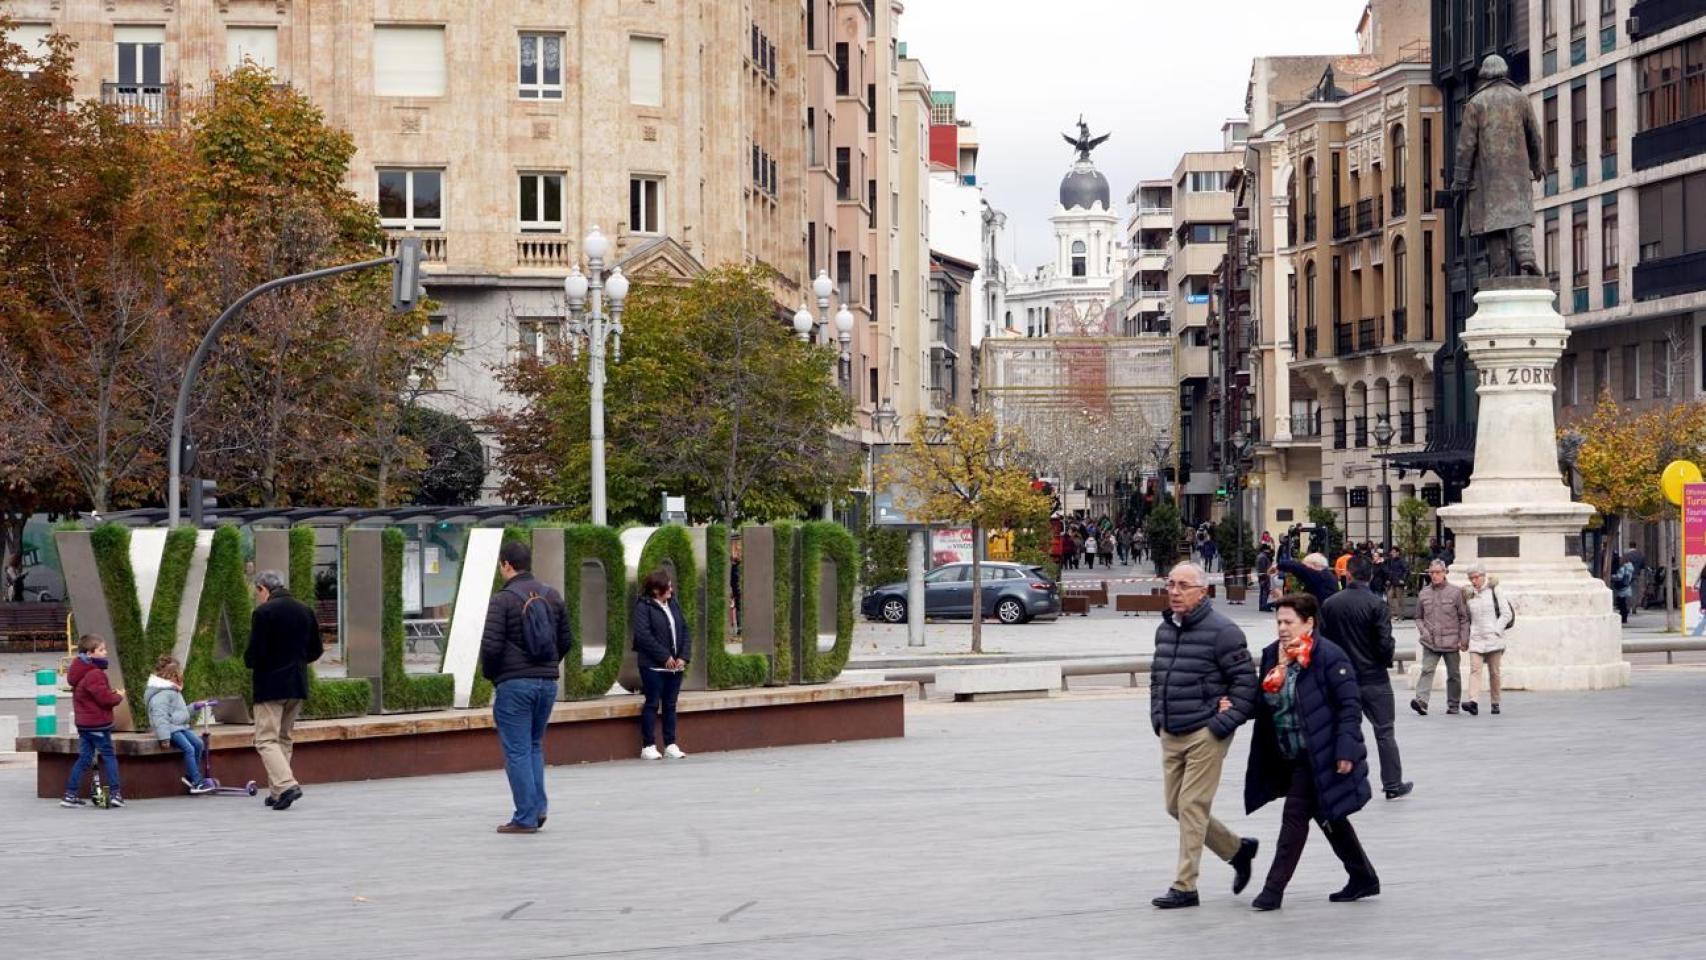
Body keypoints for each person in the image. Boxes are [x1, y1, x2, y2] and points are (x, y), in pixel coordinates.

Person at [1242, 593, 1380, 910]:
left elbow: (1349, 706)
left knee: (1294, 817)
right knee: (1328, 815)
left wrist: (1346, 750)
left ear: (1309, 623)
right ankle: (1363, 877)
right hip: (1286, 754)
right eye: (1278, 621)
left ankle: (1272, 890)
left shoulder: (1329, 657)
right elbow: (1261, 702)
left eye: (1288, 622)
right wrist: (1228, 706)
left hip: (1319, 752)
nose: (1281, 628)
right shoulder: (1272, 656)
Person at [1148, 562, 1260, 910]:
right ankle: (1237, 850)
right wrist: (1157, 717)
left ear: (1203, 591)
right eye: (1171, 584)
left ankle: (1185, 886)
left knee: (1191, 805)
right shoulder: (1165, 629)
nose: (1175, 591)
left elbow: (1246, 688)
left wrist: (1220, 725)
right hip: (1171, 729)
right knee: (1174, 806)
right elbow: (1157, 677)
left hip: (1205, 733)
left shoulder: (1224, 631)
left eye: (1183, 586)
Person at [480, 541, 573, 834]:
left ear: (507, 564)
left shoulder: (503, 600)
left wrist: (497, 675)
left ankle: (525, 816)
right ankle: (538, 807)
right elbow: (566, 640)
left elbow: (491, 647)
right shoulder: (551, 595)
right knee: (533, 746)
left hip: (514, 685)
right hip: (547, 684)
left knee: (518, 750)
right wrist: (546, 666)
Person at [1319, 557, 1411, 800]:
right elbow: (1384, 642)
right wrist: (1384, 659)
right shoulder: (1376, 604)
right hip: (1374, 678)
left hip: (1342, 679)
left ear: (1347, 575)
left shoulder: (1330, 604)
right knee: (1384, 732)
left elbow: (1323, 642)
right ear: (1370, 576)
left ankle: (1341, 781)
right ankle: (1392, 783)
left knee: (1343, 730)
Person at [246, 569, 323, 811]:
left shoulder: (263, 612)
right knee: (284, 738)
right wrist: (296, 662)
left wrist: (253, 661)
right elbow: (316, 649)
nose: (257, 597)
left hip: (270, 685)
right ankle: (278, 792)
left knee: (266, 739)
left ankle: (287, 784)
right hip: (297, 683)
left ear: (262, 588)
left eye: (256, 592)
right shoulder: (304, 610)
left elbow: (254, 653)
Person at [633, 568, 693, 761]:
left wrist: (683, 656)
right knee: (652, 703)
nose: (671, 589)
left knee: (670, 704)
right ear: (656, 590)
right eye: (667, 586)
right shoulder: (643, 606)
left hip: (675, 666)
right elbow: (643, 636)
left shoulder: (673, 603)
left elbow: (684, 629)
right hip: (653, 666)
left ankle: (670, 744)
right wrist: (664, 657)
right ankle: (648, 745)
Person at [61, 635, 125, 808]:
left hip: (84, 724)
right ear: (90, 653)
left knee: (84, 758)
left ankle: (70, 794)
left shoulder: (80, 671)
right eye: (101, 650)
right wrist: (118, 696)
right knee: (109, 757)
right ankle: (115, 794)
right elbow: (105, 699)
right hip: (98, 724)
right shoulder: (94, 674)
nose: (105, 652)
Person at [145, 655, 214, 794]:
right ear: (172, 676)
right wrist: (164, 737)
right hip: (170, 729)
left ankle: (190, 776)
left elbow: (180, 713)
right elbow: (160, 717)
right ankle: (196, 781)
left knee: (199, 744)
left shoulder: (173, 691)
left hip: (179, 726)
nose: (181, 678)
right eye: (179, 675)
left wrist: (194, 706)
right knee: (188, 748)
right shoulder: (162, 694)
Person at [1412, 559, 1470, 716]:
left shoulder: (1456, 592)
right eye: (1432, 573)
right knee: (1427, 670)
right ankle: (1421, 701)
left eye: (1438, 572)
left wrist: (1463, 640)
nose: (1434, 575)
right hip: (1430, 641)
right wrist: (1423, 631)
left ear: (1445, 573)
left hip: (1451, 641)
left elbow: (1464, 618)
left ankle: (1453, 704)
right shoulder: (1424, 593)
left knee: (1454, 674)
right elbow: (1418, 617)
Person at [1462, 563, 1514, 716]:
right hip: (1476, 638)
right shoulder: (1469, 593)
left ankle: (1495, 702)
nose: (1473, 581)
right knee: (1475, 669)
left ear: (1483, 576)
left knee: (1494, 672)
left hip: (1493, 638)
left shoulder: (1494, 590)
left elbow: (1506, 614)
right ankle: (1473, 702)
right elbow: (1467, 617)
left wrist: (1497, 630)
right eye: (1471, 578)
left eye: (1476, 577)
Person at [1382, 547, 1410, 618]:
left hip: (1399, 582)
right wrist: (1388, 579)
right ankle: (1393, 613)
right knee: (1389, 597)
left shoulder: (1401, 561)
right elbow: (1389, 571)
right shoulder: (1390, 561)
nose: (1392, 553)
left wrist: (1403, 579)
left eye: (1394, 552)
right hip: (1392, 582)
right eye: (1392, 552)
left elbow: (1406, 570)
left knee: (1399, 599)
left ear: (1398, 553)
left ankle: (1400, 615)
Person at [1611, 553, 1634, 624]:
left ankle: (1623, 618)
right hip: (1627, 587)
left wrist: (1612, 577)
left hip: (1621, 589)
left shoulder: (1623, 568)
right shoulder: (1630, 568)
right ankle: (1625, 618)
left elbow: (1619, 577)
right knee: (1624, 604)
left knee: (1622, 604)